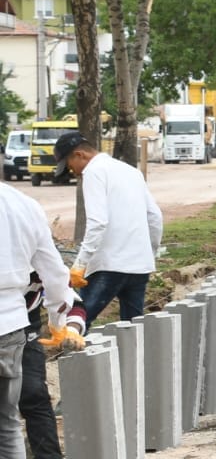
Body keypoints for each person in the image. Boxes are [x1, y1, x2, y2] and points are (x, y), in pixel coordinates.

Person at [1, 183, 87, 459]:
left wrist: (64, 323)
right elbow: (56, 276)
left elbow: (61, 284)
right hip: (13, 325)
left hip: (19, 323)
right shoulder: (21, 207)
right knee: (6, 423)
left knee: (24, 406)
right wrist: (58, 316)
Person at [53, 130, 163, 327]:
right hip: (139, 266)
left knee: (79, 319)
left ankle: (68, 355)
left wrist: (80, 264)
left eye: (70, 166)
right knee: (133, 328)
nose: (73, 172)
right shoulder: (131, 171)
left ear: (80, 155)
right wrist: (150, 253)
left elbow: (98, 222)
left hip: (109, 266)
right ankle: (133, 359)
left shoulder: (93, 172)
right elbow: (154, 217)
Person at [20, 273, 68, 459]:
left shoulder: (27, 238)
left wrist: (64, 326)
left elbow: (60, 282)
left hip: (22, 320)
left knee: (33, 394)